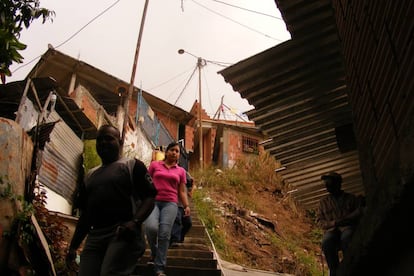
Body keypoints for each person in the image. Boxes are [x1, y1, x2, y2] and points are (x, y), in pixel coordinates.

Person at [65, 125, 157, 276]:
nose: (103, 143)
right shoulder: (90, 176)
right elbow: (86, 215)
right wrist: (73, 247)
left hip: (121, 233)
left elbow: (150, 197)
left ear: (120, 142)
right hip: (95, 237)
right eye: (99, 140)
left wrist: (134, 223)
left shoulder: (132, 166)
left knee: (110, 272)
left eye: (109, 138)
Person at [144, 141, 191, 276]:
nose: (174, 153)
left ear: (178, 156)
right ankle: (154, 252)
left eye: (177, 151)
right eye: (172, 150)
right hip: (154, 201)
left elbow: (182, 191)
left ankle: (159, 268)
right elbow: (147, 182)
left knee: (164, 234)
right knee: (151, 228)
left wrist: (186, 205)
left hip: (170, 204)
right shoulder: (154, 165)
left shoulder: (181, 171)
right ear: (167, 151)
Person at [318, 172, 363, 276]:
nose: (327, 187)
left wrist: (348, 219)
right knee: (326, 242)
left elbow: (359, 214)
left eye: (330, 184)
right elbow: (321, 222)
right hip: (332, 230)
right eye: (326, 185)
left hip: (348, 227)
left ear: (338, 184)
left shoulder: (351, 198)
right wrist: (334, 223)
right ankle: (334, 271)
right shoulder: (323, 202)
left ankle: (350, 265)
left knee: (347, 238)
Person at [170, 171, 194, 247]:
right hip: (173, 201)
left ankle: (179, 238)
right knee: (177, 219)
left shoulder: (183, 173)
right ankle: (174, 239)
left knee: (188, 222)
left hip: (182, 203)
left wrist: (186, 205)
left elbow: (190, 188)